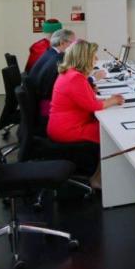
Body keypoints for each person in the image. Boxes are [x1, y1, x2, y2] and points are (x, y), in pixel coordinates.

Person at [46, 39, 125, 186]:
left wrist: (94, 94)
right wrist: (114, 100)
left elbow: (86, 99)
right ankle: (98, 180)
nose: (96, 59)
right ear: (84, 58)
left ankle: (99, 176)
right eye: (93, 56)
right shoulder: (75, 78)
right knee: (111, 135)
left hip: (62, 125)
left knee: (107, 130)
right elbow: (93, 106)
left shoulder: (69, 73)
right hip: (68, 129)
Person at [26, 27, 78, 118]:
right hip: (46, 103)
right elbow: (66, 84)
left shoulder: (50, 53)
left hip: (38, 98)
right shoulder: (57, 60)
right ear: (62, 43)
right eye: (73, 43)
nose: (75, 46)